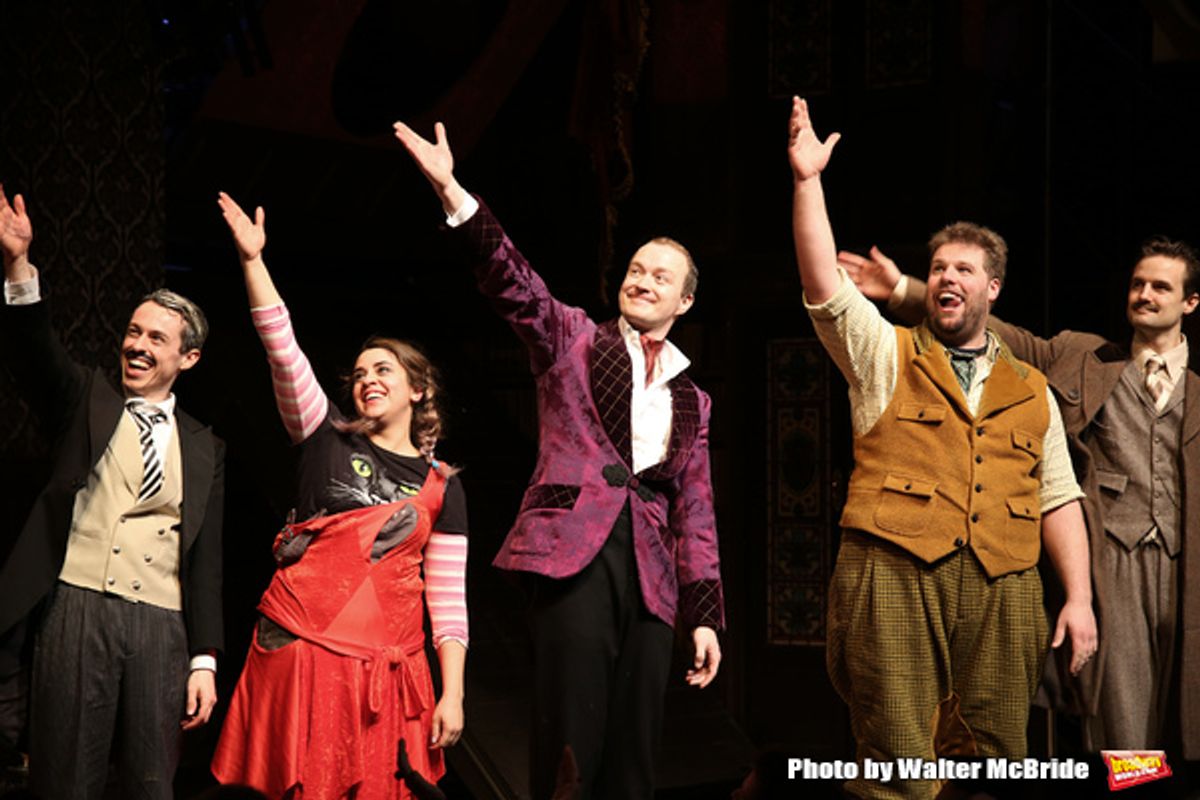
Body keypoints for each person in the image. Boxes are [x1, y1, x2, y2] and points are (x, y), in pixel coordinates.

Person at [394, 121, 724, 800]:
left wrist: (704, 615)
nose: (643, 281)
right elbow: (512, 281)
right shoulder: (573, 338)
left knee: (635, 750)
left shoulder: (694, 399)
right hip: (576, 553)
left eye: (661, 277)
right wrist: (452, 191)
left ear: (685, 300)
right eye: (636, 270)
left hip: (652, 576)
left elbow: (696, 511)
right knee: (571, 737)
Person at [787, 97, 1097, 800]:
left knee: (994, 767)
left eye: (963, 269)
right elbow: (825, 288)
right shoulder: (886, 354)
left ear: (992, 288)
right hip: (896, 577)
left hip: (1004, 591)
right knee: (899, 767)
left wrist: (1077, 598)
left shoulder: (1032, 388)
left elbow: (1058, 496)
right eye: (938, 268)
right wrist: (808, 182)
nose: (947, 277)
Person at [841, 236, 1200, 759]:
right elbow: (993, 329)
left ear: (1190, 302)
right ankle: (1135, 790)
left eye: (1161, 287)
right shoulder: (1084, 357)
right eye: (1138, 284)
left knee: (1184, 711)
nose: (1145, 295)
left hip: (1185, 564)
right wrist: (902, 289)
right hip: (1115, 557)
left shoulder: (1198, 389)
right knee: (1125, 714)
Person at [209, 193, 468, 799]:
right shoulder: (321, 433)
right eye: (359, 373)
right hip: (306, 650)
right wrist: (253, 261)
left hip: (386, 669)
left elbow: (448, 602)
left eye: (383, 370)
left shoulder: (443, 485)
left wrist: (453, 692)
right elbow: (281, 346)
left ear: (419, 390)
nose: (367, 379)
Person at [0, 185, 224, 799]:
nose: (137, 346)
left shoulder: (205, 445)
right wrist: (18, 266)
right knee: (66, 779)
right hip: (79, 607)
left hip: (161, 626)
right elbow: (34, 354)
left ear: (188, 358)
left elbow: (206, 560)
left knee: (152, 783)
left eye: (156, 339)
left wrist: (204, 658)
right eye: (133, 332)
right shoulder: (86, 400)